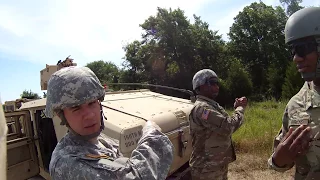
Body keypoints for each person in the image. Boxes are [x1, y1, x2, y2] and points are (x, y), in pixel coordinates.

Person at [45, 66, 174, 180]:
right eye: (76, 108)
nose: (89, 115)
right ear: (61, 115)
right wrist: (152, 136)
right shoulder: (67, 163)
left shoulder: (99, 140)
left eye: (92, 103)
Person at [267, 7, 320, 179]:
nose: (296, 58)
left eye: (302, 49)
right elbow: (281, 161)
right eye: (293, 51)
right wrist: (278, 160)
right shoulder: (296, 105)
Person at [189, 69, 248, 180]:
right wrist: (240, 109)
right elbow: (228, 126)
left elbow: (225, 121)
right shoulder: (202, 108)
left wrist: (235, 107)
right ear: (200, 86)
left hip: (216, 164)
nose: (217, 86)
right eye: (212, 82)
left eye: (217, 83)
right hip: (206, 169)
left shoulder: (212, 105)